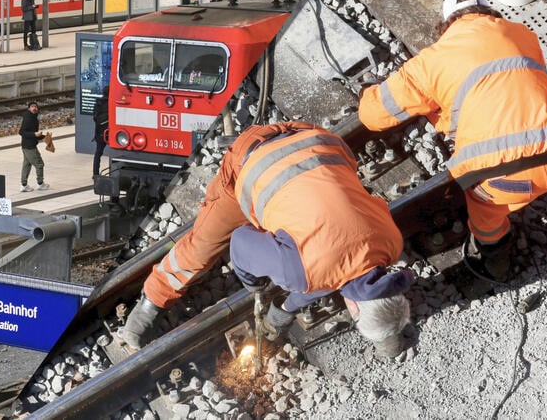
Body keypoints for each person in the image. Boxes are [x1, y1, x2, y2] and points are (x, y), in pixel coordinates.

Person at [118, 122, 413, 357]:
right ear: (356, 308)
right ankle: (151, 299)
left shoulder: (391, 242)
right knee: (203, 245)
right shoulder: (301, 272)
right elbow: (239, 244)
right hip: (252, 159)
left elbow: (331, 270)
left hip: (316, 141)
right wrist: (254, 284)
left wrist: (287, 308)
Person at [358, 0, 547, 281]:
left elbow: (371, 116)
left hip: (498, 174)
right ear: (490, 13)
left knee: (486, 219)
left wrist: (376, 90)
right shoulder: (520, 33)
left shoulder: (432, 60)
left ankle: (497, 264)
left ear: (445, 27)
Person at [19, 101, 49, 192]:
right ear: (29, 108)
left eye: (35, 107)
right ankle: (40, 184)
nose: (34, 108)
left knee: (27, 165)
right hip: (29, 146)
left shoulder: (33, 117)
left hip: (26, 145)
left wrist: (44, 137)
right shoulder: (29, 118)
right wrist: (34, 134)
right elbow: (22, 132)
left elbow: (34, 133)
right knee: (39, 164)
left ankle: (24, 185)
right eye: (32, 107)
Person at [92, 86, 110, 179]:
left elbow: (94, 117)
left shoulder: (98, 103)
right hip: (109, 133)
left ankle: (95, 174)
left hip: (99, 132)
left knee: (98, 154)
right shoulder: (111, 103)